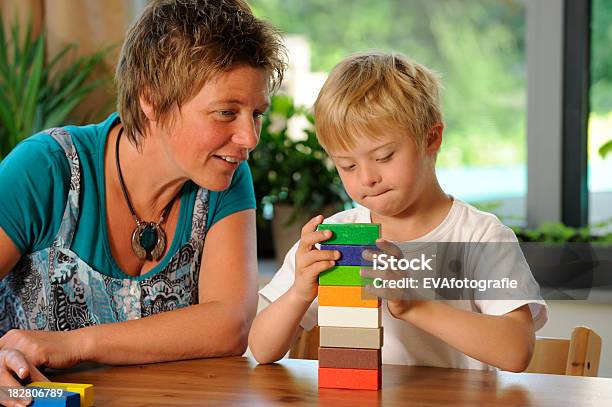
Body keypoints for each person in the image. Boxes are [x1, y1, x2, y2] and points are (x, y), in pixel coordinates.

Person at [0, 0, 286, 394]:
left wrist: (76, 343)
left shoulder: (225, 175)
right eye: (225, 112)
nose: (249, 139)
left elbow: (230, 325)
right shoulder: (46, 168)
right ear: (150, 100)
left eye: (256, 114)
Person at [248, 51, 547, 371]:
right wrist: (298, 294)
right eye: (347, 165)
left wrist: (413, 305)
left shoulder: (479, 236)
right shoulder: (335, 239)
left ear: (431, 139)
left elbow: (516, 351)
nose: (367, 178)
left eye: (384, 157)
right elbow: (262, 349)